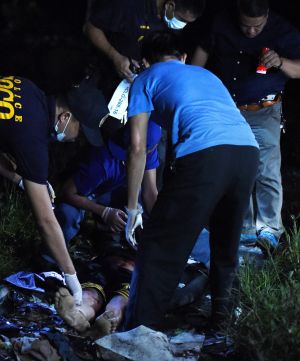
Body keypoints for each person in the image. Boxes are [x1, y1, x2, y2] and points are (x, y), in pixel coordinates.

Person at [123, 30, 259, 331]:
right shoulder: (205, 75)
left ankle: (139, 332)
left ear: (146, 62)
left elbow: (136, 147)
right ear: (182, 57)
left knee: (159, 245)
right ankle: (221, 328)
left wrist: (132, 210)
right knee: (225, 246)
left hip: (206, 155)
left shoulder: (145, 79)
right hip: (247, 152)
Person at [192, 0, 300, 250]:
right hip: (227, 109)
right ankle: (244, 230)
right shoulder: (220, 22)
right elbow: (198, 61)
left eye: (257, 27)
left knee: (267, 169)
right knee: (235, 170)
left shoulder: (282, 30)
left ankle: (270, 230)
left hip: (264, 110)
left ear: (267, 16)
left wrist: (281, 62)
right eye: (245, 26)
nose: (251, 31)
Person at [0, 75, 108, 305]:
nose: (76, 139)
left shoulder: (25, 87)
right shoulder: (33, 137)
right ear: (65, 117)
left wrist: (21, 179)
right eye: (80, 130)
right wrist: (71, 277)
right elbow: (46, 221)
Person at [55, 121, 161, 243]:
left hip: (108, 188)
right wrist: (104, 212)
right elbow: (66, 192)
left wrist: (160, 225)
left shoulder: (147, 150)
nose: (152, 152)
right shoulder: (102, 164)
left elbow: (150, 192)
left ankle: (110, 238)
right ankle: (50, 255)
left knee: (142, 202)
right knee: (67, 214)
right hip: (83, 191)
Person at [84, 0, 205, 96]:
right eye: (182, 20)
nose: (182, 25)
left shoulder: (170, 21)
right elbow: (90, 28)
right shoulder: (128, 4)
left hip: (137, 85)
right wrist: (115, 56)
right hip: (101, 75)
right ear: (170, 5)